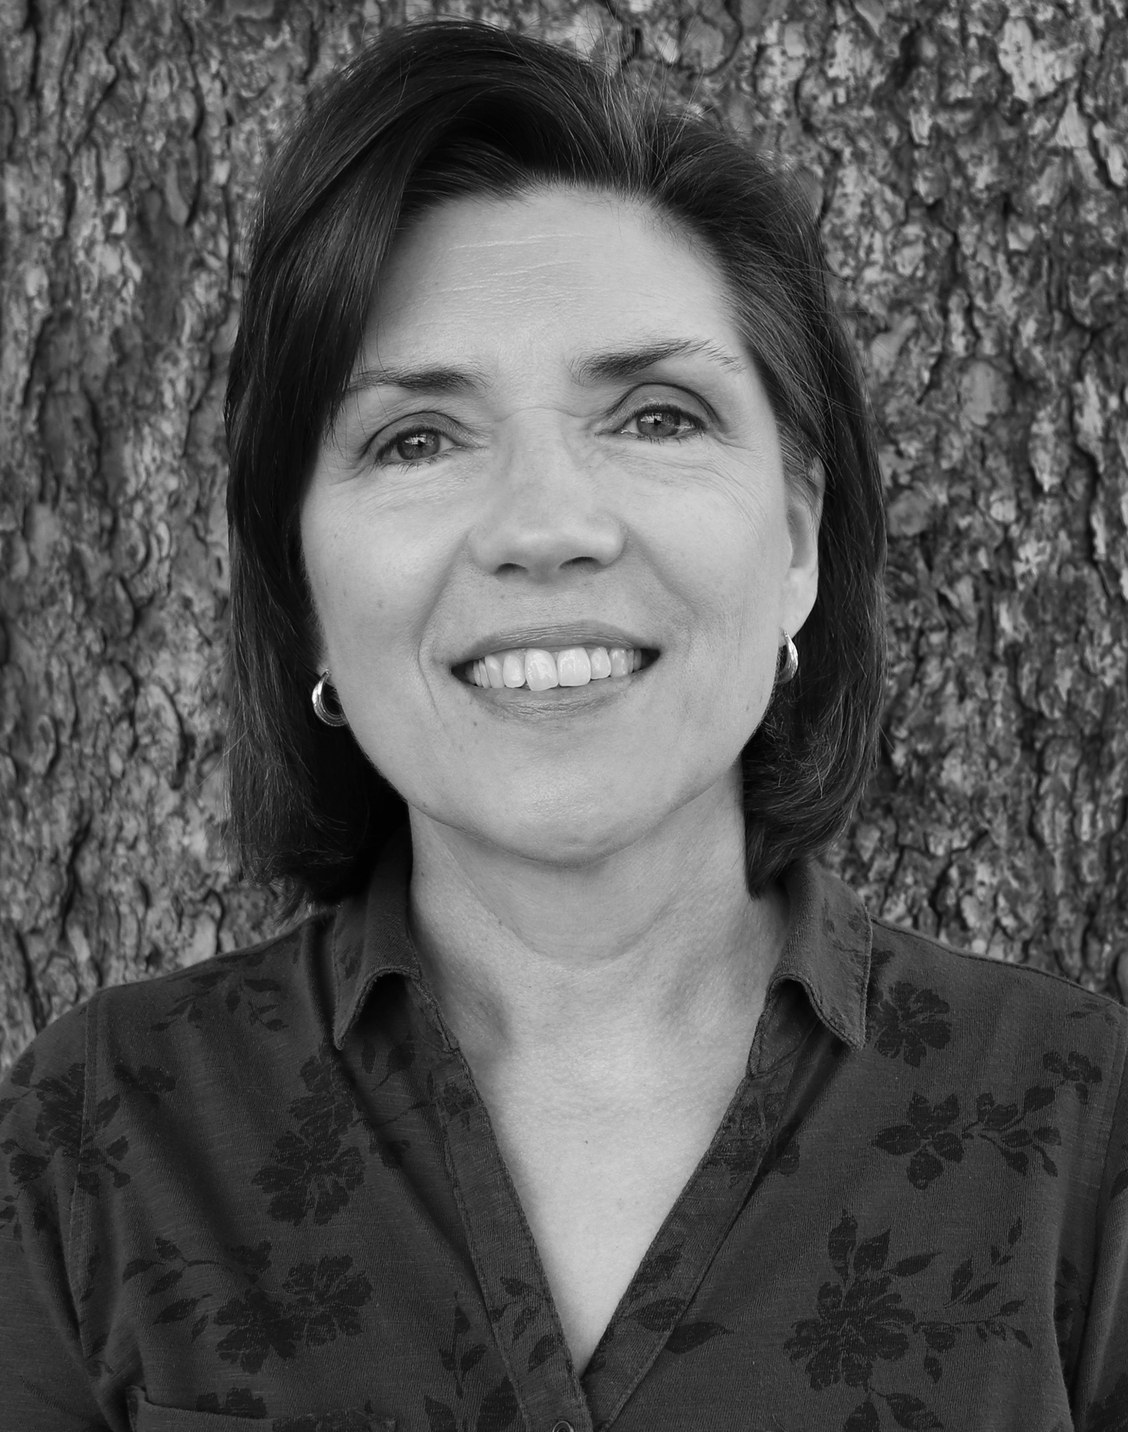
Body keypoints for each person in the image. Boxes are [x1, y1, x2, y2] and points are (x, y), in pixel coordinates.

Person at [0, 17, 1124, 1432]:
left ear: (796, 540)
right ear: (302, 587)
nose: (546, 527)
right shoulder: (103, 1136)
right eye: (416, 439)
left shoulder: (1080, 1131)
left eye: (655, 416)